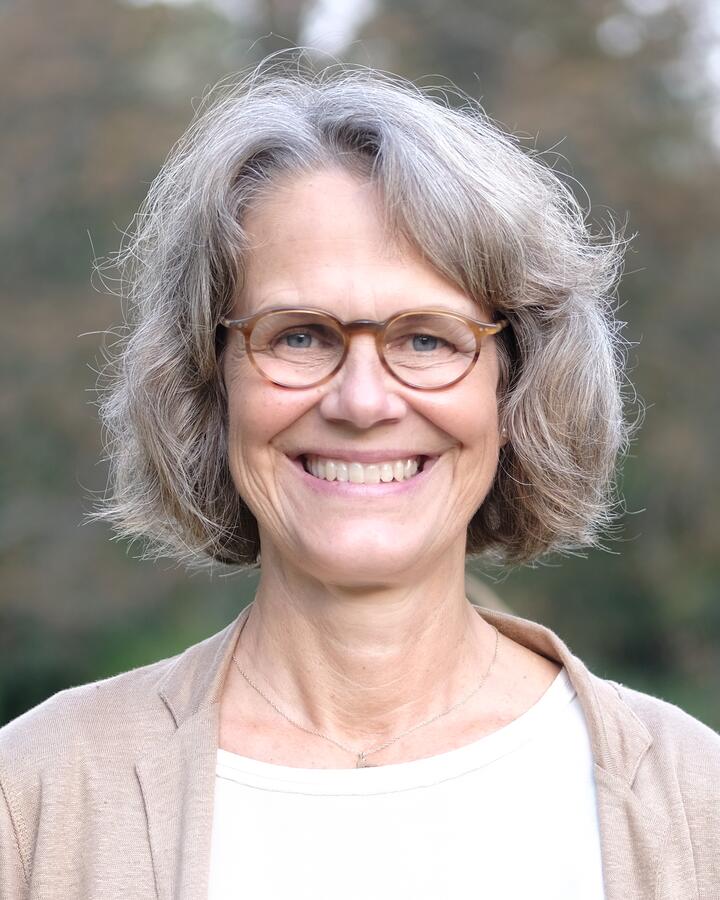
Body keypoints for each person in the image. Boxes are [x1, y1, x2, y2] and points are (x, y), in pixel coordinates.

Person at [1, 57, 718, 900]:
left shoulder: (695, 801)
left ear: (517, 385)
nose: (363, 401)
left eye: (427, 338)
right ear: (207, 378)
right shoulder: (36, 797)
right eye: (299, 335)